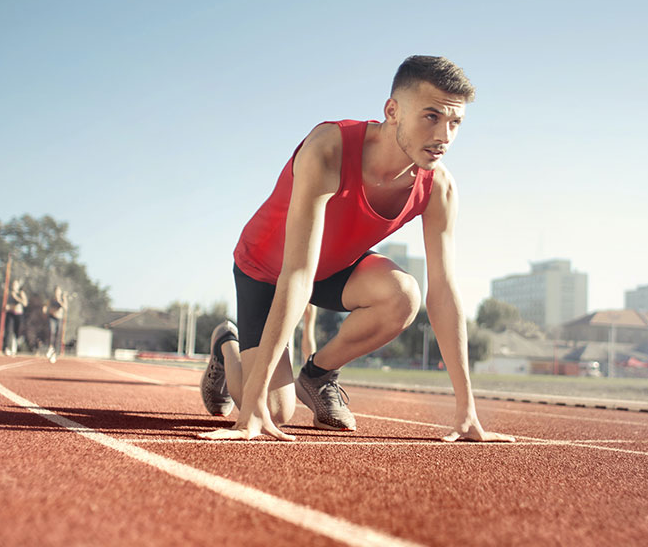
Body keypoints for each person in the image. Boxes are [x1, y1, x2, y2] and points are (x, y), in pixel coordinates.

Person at [200, 55, 513, 443]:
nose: (444, 136)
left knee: (403, 294)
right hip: (266, 270)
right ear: (392, 111)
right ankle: (226, 346)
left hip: (333, 270)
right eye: (431, 117)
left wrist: (467, 411)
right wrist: (252, 406)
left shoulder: (439, 188)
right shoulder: (328, 148)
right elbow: (296, 271)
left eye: (455, 122)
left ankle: (317, 376)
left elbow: (444, 292)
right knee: (275, 410)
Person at [43, 286, 67, 364]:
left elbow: (65, 308)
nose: (57, 293)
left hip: (59, 319)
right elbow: (46, 305)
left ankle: (55, 353)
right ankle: (50, 347)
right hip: (52, 317)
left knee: (57, 335)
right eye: (56, 291)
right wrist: (45, 308)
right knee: (51, 331)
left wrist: (60, 301)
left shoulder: (62, 299)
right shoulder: (51, 299)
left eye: (58, 291)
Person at [4, 279, 28, 356]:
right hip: (10, 313)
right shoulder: (8, 293)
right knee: (8, 330)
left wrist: (16, 298)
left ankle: (15, 348)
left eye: (16, 284)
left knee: (16, 332)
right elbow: (5, 304)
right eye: (13, 284)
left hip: (18, 314)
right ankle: (6, 348)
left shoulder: (21, 293)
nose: (14, 286)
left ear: (18, 285)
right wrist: (6, 307)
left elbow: (25, 303)